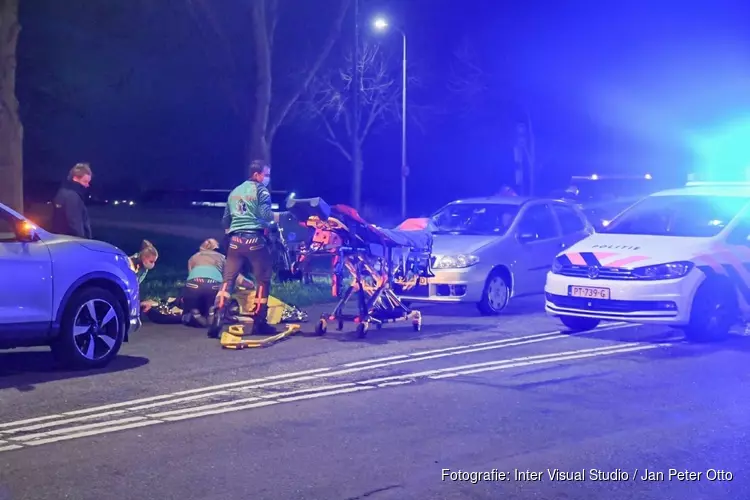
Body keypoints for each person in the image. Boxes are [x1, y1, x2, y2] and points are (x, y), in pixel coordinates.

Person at [210, 160, 279, 337]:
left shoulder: (235, 191)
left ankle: (218, 315)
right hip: (255, 239)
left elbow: (225, 220)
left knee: (227, 280)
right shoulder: (261, 190)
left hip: (234, 241)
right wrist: (277, 218)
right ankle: (259, 321)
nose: (267, 178)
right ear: (257, 174)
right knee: (263, 280)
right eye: (266, 174)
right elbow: (265, 215)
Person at [181, 238, 224, 327]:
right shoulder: (221, 257)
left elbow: (190, 274)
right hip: (213, 285)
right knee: (215, 297)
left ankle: (196, 312)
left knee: (193, 293)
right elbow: (229, 275)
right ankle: (212, 311)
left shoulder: (193, 257)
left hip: (193, 284)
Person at [51, 163, 93, 238]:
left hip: (62, 240)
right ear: (75, 178)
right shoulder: (72, 196)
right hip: (75, 243)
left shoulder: (62, 193)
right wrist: (83, 242)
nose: (87, 185)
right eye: (85, 181)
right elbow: (75, 224)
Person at [129, 240, 159, 312]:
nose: (153, 264)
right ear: (144, 257)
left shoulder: (144, 267)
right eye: (151, 261)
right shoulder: (132, 263)